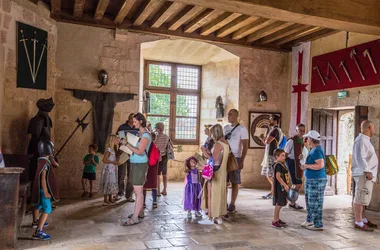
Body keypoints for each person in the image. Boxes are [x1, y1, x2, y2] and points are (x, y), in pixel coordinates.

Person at [123, 113, 152, 226]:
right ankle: (139, 213)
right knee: (138, 190)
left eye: (135, 121)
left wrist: (126, 144)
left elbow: (140, 152)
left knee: (138, 191)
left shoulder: (145, 135)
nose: (133, 123)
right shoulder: (139, 133)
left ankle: (135, 218)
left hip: (140, 164)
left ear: (140, 121)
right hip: (135, 163)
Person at [199, 124, 229, 225]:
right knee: (218, 193)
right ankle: (217, 214)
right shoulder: (225, 142)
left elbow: (213, 158)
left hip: (215, 170)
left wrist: (203, 150)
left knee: (211, 193)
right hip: (222, 170)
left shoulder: (218, 144)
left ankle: (212, 215)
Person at [352, 120, 378, 231]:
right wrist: (367, 171)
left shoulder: (365, 140)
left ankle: (362, 219)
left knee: (363, 197)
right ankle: (358, 221)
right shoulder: (361, 140)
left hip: (367, 174)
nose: (374, 129)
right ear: (370, 127)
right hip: (364, 174)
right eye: (373, 127)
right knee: (359, 197)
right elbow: (360, 157)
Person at [31, 140, 59, 240]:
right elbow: (43, 178)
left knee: (37, 205)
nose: (53, 150)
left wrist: (51, 158)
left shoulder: (40, 160)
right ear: (48, 150)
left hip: (38, 189)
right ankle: (38, 232)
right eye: (52, 148)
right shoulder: (45, 164)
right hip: (43, 190)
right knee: (47, 209)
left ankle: (35, 221)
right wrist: (46, 192)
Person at [300, 130, 327, 231]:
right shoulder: (313, 149)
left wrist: (306, 165)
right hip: (312, 179)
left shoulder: (316, 151)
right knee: (309, 201)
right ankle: (310, 220)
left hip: (317, 180)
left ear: (311, 139)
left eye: (307, 138)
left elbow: (320, 165)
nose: (306, 140)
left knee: (315, 202)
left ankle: (318, 224)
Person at [224, 109, 248, 213]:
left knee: (235, 182)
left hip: (235, 157)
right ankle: (223, 202)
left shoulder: (242, 129)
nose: (228, 116)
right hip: (225, 157)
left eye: (230, 114)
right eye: (228, 114)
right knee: (223, 182)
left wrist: (241, 160)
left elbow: (245, 146)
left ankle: (232, 203)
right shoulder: (225, 128)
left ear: (236, 116)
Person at [116, 113, 138, 202]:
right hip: (123, 152)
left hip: (133, 154)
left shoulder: (137, 128)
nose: (133, 121)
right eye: (132, 119)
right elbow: (119, 139)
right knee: (121, 174)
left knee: (131, 175)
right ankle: (120, 192)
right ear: (129, 119)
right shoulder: (122, 127)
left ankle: (129, 195)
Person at [284, 124, 306, 209]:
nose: (302, 132)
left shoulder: (302, 141)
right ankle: (291, 201)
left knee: (297, 184)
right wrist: (284, 166)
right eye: (300, 130)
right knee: (298, 183)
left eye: (303, 130)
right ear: (296, 131)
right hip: (292, 163)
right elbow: (285, 154)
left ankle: (291, 200)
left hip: (298, 163)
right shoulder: (291, 141)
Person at [260, 115, 282, 200]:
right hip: (272, 154)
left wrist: (262, 138)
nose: (269, 120)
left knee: (270, 174)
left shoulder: (275, 130)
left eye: (271, 119)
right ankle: (273, 192)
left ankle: (274, 191)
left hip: (271, 155)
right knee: (269, 174)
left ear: (276, 121)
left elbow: (267, 142)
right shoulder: (276, 130)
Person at [99, 134, 119, 206]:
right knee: (108, 182)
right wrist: (113, 162)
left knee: (112, 182)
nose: (118, 140)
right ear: (112, 140)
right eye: (116, 139)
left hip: (112, 168)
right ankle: (105, 199)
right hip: (108, 169)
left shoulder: (113, 149)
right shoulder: (109, 149)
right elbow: (104, 160)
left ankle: (110, 198)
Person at [272, 148, 289, 228]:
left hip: (283, 187)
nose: (284, 157)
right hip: (280, 188)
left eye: (284, 155)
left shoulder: (282, 164)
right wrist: (284, 185)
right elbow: (278, 176)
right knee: (279, 204)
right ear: (276, 157)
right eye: (282, 156)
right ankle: (275, 220)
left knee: (281, 203)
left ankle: (277, 219)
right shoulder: (278, 165)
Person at [154, 122, 171, 196]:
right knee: (164, 173)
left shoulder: (156, 137)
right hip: (165, 157)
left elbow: (154, 146)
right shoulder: (167, 137)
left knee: (157, 174)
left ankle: (158, 191)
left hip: (157, 157)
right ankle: (164, 190)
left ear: (158, 129)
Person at [143, 131, 158, 209]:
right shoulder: (155, 147)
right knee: (153, 185)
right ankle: (154, 202)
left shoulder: (145, 146)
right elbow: (158, 158)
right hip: (153, 168)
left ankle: (143, 203)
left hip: (145, 167)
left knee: (144, 186)